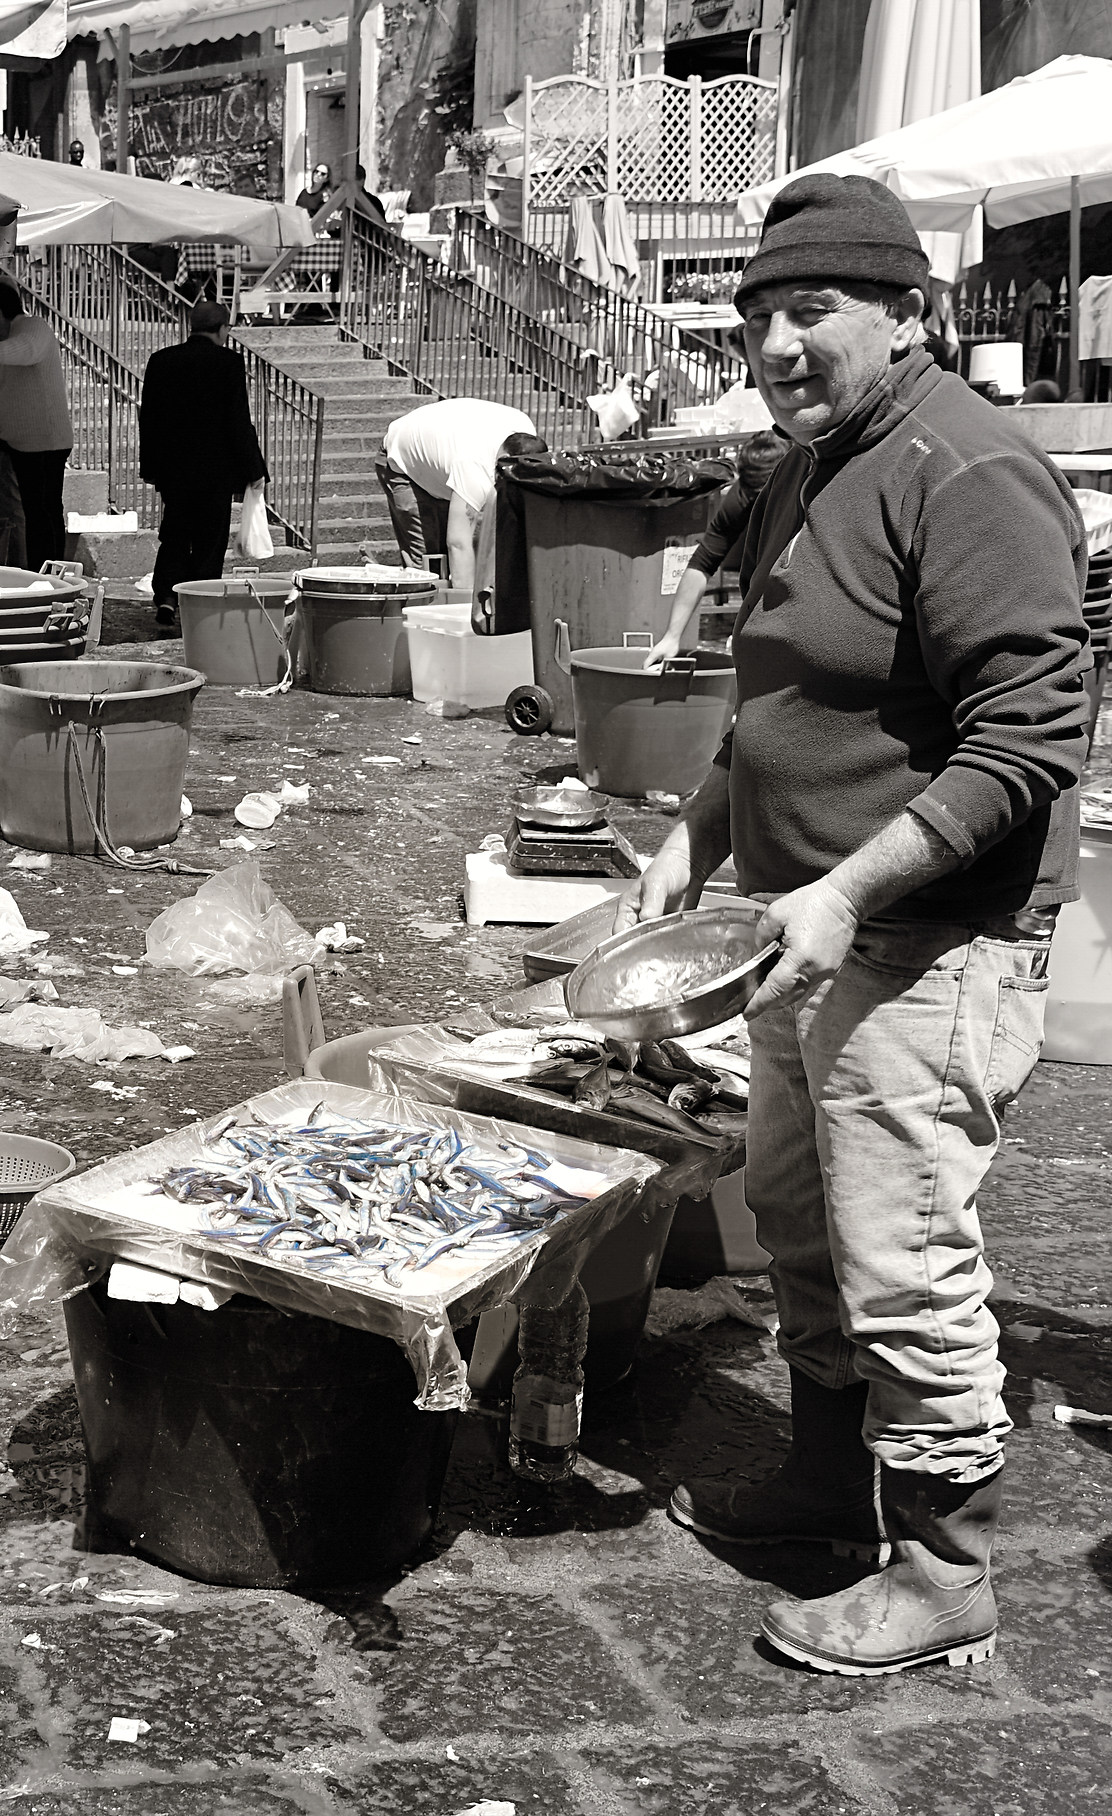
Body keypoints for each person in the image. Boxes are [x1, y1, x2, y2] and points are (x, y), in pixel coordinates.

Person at [630, 174, 1091, 1677]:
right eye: (758, 312)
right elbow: (778, 694)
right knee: (797, 1218)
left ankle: (946, 1566)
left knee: (904, 1249)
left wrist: (844, 891)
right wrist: (698, 833)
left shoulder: (968, 468)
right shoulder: (800, 467)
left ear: (911, 313)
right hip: (794, 918)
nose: (775, 341)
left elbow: (1031, 740)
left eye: (811, 308)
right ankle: (831, 1481)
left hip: (928, 937)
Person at [139, 300, 267, 624]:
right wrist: (254, 469)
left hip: (174, 469)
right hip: (215, 471)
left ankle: (167, 596)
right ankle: (198, 601)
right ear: (223, 329)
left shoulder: (161, 361)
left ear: (192, 325)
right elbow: (238, 420)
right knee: (210, 539)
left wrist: (151, 466)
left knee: (176, 532)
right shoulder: (228, 363)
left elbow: (149, 418)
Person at [641, 428, 786, 669]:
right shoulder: (743, 497)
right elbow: (702, 563)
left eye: (768, 495)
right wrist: (672, 636)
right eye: (756, 495)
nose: (761, 502)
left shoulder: (811, 493)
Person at [375, 397, 545, 591]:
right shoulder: (475, 469)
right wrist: (465, 608)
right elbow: (458, 543)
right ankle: (423, 611)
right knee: (427, 564)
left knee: (451, 558)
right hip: (403, 462)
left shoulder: (525, 431)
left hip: (444, 450)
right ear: (503, 460)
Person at [0, 280, 74, 568]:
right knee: (32, 513)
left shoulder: (33, 327)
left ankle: (51, 573)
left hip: (47, 443)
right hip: (18, 445)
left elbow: (27, 351)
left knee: (45, 513)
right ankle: (40, 571)